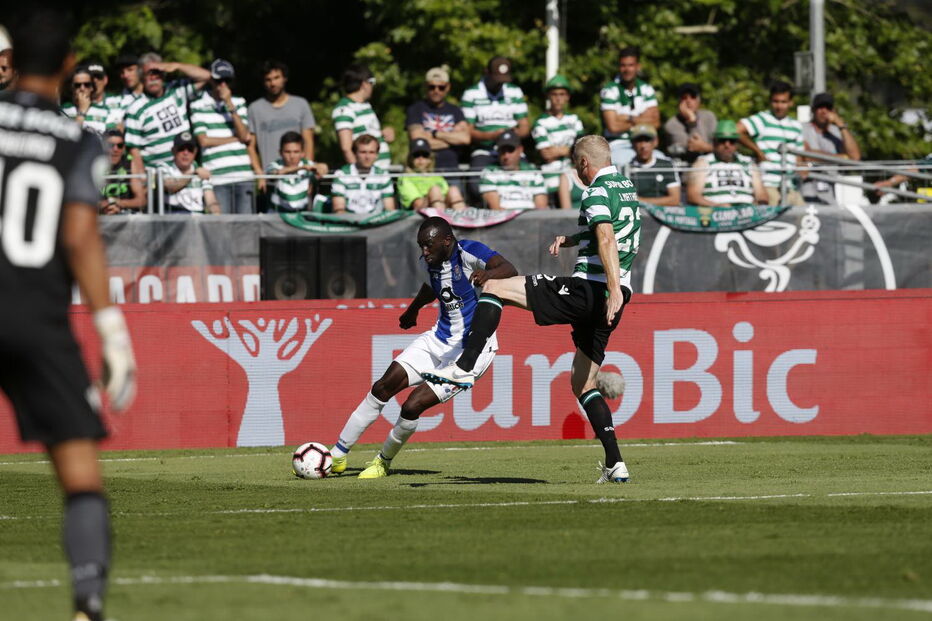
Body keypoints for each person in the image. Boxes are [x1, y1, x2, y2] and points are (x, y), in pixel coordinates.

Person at [1, 10, 137, 621]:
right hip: (36, 318)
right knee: (80, 473)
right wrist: (111, 330)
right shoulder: (78, 138)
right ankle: (86, 605)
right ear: (64, 67)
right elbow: (81, 234)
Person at [424, 135, 637, 484]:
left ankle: (464, 367)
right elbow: (616, 230)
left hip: (593, 290)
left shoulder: (595, 190)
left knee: (493, 286)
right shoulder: (625, 186)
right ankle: (616, 464)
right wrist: (570, 240)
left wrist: (611, 287)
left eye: (575, 165)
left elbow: (607, 237)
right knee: (583, 384)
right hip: (615, 297)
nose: (576, 172)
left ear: (584, 163)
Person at [330, 216, 518, 478]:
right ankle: (337, 455)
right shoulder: (434, 261)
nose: (424, 251)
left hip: (471, 352)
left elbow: (509, 268)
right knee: (382, 386)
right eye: (421, 246)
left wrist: (488, 274)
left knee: (411, 406)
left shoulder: (468, 251)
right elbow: (434, 286)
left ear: (447, 241)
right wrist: (413, 309)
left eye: (428, 246)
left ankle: (382, 462)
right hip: (437, 340)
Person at [124, 51, 210, 175]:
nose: (153, 78)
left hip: (186, 169)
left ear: (163, 73)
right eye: (148, 74)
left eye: (157, 73)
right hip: (157, 176)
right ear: (142, 77)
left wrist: (177, 66)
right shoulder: (135, 108)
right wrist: (142, 180)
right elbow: (134, 150)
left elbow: (207, 76)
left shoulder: (177, 90)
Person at [189, 59, 255, 214]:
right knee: (221, 227)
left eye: (227, 80)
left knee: (245, 227)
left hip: (243, 174)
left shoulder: (238, 102)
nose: (223, 85)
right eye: (219, 80)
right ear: (211, 80)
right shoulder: (198, 105)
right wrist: (234, 139)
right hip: (217, 176)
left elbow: (245, 135)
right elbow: (203, 140)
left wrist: (229, 105)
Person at [461, 56, 530, 200]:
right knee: (475, 186)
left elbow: (524, 127)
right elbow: (467, 131)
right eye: (497, 79)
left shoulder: (515, 92)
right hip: (484, 150)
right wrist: (492, 136)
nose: (500, 84)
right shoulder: (471, 94)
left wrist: (508, 136)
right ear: (486, 72)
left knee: (529, 180)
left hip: (511, 147)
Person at [247, 60, 317, 189]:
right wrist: (260, 174)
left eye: (276, 78)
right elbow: (250, 146)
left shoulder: (301, 105)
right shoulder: (254, 108)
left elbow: (308, 142)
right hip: (271, 176)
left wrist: (309, 174)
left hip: (299, 177)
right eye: (268, 79)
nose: (273, 83)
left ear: (284, 78)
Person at [738, 81, 805, 206]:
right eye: (775, 101)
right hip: (768, 184)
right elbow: (736, 131)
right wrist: (757, 151)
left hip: (790, 186)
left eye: (783, 102)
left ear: (791, 102)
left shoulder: (796, 126)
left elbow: (799, 157)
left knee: (805, 218)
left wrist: (802, 169)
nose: (779, 106)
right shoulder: (762, 119)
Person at [599, 46, 660, 168]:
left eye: (631, 65)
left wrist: (628, 118)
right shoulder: (609, 90)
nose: (627, 69)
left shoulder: (647, 89)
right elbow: (613, 127)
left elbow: (656, 122)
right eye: (623, 65)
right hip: (617, 145)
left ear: (638, 66)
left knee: (664, 162)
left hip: (644, 143)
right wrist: (642, 119)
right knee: (625, 163)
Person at [405, 65, 470, 177]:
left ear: (448, 87)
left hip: (451, 169)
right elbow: (418, 141)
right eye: (432, 87)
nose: (436, 91)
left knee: (456, 194)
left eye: (441, 87)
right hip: (424, 171)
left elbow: (465, 138)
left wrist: (435, 134)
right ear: (425, 86)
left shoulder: (456, 111)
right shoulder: (415, 109)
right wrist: (451, 141)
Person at [687, 120, 767, 207]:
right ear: (715, 142)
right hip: (715, 213)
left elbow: (761, 194)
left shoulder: (748, 163)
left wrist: (758, 206)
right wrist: (716, 206)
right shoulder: (704, 163)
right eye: (722, 140)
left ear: (737, 144)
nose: (727, 145)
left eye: (732, 141)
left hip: (747, 211)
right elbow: (693, 195)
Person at [801, 92, 861, 204]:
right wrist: (841, 157)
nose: (824, 111)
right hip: (805, 192)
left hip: (829, 195)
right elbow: (807, 156)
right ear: (813, 110)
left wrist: (840, 124)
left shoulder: (836, 132)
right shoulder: (802, 128)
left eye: (828, 108)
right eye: (820, 107)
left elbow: (855, 157)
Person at [532, 74, 584, 201]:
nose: (558, 98)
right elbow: (546, 154)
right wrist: (571, 150)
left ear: (567, 97)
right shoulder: (540, 122)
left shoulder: (574, 119)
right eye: (554, 94)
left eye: (562, 94)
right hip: (551, 181)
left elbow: (582, 149)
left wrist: (558, 150)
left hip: (575, 180)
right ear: (548, 96)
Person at [332, 63, 393, 167]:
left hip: (380, 173)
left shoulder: (365, 106)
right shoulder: (345, 109)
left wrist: (384, 134)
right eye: (372, 82)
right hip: (368, 176)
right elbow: (346, 149)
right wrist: (360, 175)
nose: (372, 87)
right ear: (364, 84)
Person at [479, 131, 548, 210]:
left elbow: (541, 208)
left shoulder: (533, 173)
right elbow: (496, 210)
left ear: (520, 150)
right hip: (504, 220)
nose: (506, 156)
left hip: (532, 219)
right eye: (502, 150)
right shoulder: (489, 173)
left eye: (510, 150)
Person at [265, 131, 328, 212]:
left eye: (296, 152)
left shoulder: (307, 164)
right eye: (287, 152)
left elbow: (324, 168)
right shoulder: (274, 165)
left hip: (301, 216)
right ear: (280, 152)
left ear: (302, 153)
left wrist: (319, 170)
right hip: (277, 216)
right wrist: (301, 168)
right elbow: (276, 173)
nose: (292, 156)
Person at [331, 134, 395, 214]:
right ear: (355, 153)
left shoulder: (384, 176)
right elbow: (339, 210)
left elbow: (389, 210)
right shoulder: (341, 175)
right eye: (363, 152)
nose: (367, 156)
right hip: (349, 222)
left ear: (377, 155)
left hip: (376, 223)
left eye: (371, 152)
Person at [160, 131, 221, 214]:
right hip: (173, 218)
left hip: (197, 219)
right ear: (173, 151)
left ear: (195, 152)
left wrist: (217, 217)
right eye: (181, 149)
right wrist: (192, 174)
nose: (186, 153)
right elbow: (169, 187)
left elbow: (211, 201)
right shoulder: (164, 167)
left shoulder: (201, 172)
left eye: (190, 149)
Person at [397, 137, 466, 210]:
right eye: (416, 155)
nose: (421, 158)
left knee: (453, 189)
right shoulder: (405, 178)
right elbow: (417, 204)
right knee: (435, 190)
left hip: (443, 209)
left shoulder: (437, 177)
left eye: (425, 155)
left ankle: (462, 217)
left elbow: (448, 198)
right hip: (419, 215)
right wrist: (432, 195)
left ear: (430, 159)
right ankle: (440, 218)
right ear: (410, 158)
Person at [663, 82, 716, 167]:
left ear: (699, 100)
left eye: (693, 97)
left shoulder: (709, 117)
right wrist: (692, 121)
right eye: (684, 98)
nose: (689, 101)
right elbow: (693, 148)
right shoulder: (671, 125)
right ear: (679, 102)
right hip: (686, 168)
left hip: (712, 165)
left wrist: (707, 148)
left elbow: (719, 145)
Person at [628, 124, 681, 206]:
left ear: (655, 142)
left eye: (647, 140)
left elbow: (675, 199)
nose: (643, 146)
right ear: (632, 144)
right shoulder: (627, 169)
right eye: (639, 141)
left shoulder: (667, 165)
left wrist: (641, 201)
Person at [99, 129, 146, 215]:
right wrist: (102, 206)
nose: (115, 149)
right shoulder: (93, 164)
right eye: (111, 145)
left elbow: (141, 201)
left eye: (120, 145)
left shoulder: (130, 163)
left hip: (123, 215)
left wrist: (117, 203)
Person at [61, 65, 111, 135]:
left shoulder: (105, 112)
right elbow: (69, 138)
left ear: (92, 88)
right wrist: (82, 112)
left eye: (87, 85)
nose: (82, 88)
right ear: (72, 87)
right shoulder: (63, 110)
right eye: (77, 85)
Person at [106, 54, 144, 129]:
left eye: (130, 70)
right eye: (121, 72)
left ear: (141, 70)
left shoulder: (156, 92)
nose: (125, 75)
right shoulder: (115, 101)